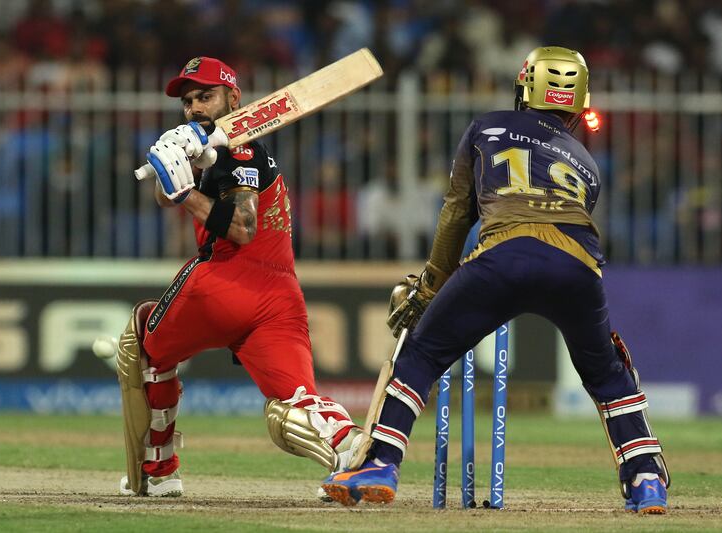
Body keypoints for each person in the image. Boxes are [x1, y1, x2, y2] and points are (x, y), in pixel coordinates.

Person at [321, 46, 670, 514]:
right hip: (578, 266)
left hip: (504, 254)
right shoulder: (587, 163)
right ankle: (647, 477)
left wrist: (430, 288)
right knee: (608, 372)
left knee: (422, 351)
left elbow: (455, 215)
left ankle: (380, 463)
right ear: (580, 101)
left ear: (525, 87)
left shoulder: (487, 125)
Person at [116, 56, 363, 497]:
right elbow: (163, 195)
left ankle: (160, 472)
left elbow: (243, 227)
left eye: (205, 96)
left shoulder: (239, 149)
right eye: (188, 100)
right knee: (295, 404)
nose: (194, 107)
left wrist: (187, 193)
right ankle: (356, 457)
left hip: (224, 281)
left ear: (234, 98)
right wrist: (177, 165)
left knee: (143, 341)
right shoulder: (214, 149)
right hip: (280, 297)